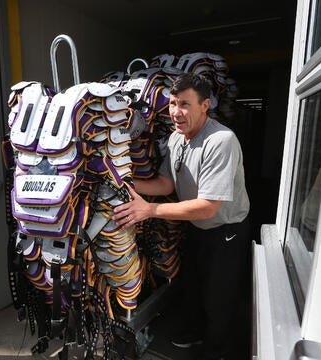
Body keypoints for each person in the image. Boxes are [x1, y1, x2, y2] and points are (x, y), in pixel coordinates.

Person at [114, 73, 251, 359]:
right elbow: (167, 184)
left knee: (220, 299)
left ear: (206, 105)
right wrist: (125, 183)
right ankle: (196, 334)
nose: (176, 112)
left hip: (225, 232)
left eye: (185, 104)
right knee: (195, 288)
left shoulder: (220, 140)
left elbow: (208, 206)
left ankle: (218, 351)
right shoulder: (178, 138)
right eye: (173, 103)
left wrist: (149, 210)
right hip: (196, 229)